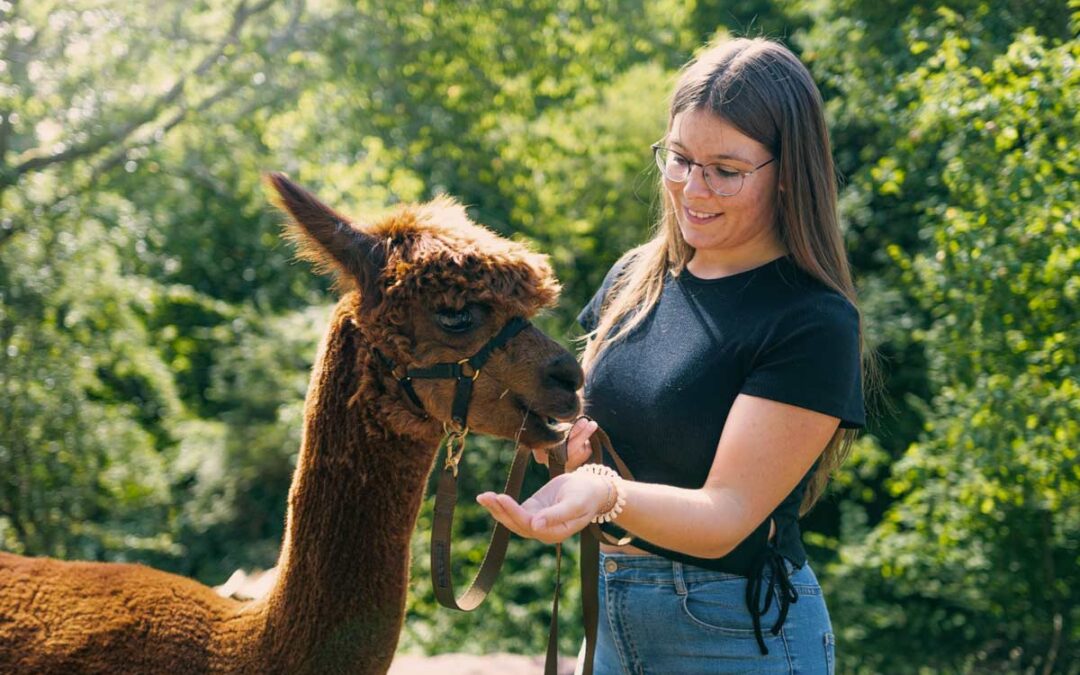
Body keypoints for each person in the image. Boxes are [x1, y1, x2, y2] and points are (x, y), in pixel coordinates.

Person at [477, 36, 866, 674]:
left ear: (789, 171)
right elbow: (591, 458)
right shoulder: (636, 278)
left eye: (725, 170)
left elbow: (726, 517)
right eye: (679, 158)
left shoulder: (811, 321)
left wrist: (602, 495)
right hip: (608, 615)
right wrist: (566, 458)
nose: (692, 188)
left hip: (736, 634)